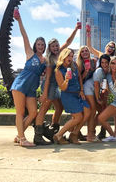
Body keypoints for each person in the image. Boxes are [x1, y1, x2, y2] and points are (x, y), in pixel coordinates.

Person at [34, 23, 81, 145]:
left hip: (56, 86)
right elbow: (48, 78)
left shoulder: (60, 54)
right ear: (49, 48)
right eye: (53, 46)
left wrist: (76, 29)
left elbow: (68, 41)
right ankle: (38, 136)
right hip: (49, 86)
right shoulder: (50, 60)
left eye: (57, 45)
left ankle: (53, 131)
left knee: (59, 107)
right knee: (44, 108)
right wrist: (44, 94)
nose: (55, 48)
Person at [11, 8, 46, 147]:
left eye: (42, 45)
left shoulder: (45, 61)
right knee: (20, 112)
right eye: (38, 44)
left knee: (33, 112)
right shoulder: (30, 54)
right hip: (20, 84)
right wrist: (19, 20)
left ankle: (19, 135)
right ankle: (22, 139)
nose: (40, 46)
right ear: (35, 45)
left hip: (32, 88)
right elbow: (24, 35)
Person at [53, 48, 90, 144]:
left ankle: (74, 134)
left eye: (71, 56)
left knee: (87, 112)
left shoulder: (74, 65)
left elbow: (79, 79)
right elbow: (63, 88)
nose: (70, 58)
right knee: (78, 117)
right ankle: (58, 135)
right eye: (68, 55)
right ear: (63, 56)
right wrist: (66, 80)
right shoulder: (58, 70)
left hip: (78, 94)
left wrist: (81, 90)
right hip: (68, 96)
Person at [76, 46, 97, 142]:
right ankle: (89, 134)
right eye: (82, 51)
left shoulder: (93, 61)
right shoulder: (79, 64)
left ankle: (88, 132)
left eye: (86, 51)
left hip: (93, 87)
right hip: (84, 88)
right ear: (80, 54)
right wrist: (86, 71)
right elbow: (80, 79)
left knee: (91, 111)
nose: (84, 52)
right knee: (91, 110)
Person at [93, 54, 110, 139]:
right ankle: (92, 131)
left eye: (106, 62)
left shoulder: (109, 71)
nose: (104, 64)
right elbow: (96, 85)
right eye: (102, 62)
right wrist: (97, 99)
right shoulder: (99, 71)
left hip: (103, 93)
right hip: (93, 93)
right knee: (100, 113)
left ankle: (102, 131)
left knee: (103, 113)